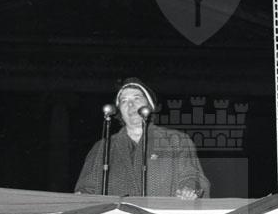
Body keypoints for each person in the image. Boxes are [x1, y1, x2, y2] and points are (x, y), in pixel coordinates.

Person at [75, 78, 210, 198]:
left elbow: (192, 176)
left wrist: (189, 190)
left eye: (137, 98)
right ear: (119, 110)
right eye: (124, 101)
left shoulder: (176, 140)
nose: (130, 105)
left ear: (149, 106)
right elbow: (86, 189)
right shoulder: (102, 147)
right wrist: (80, 197)